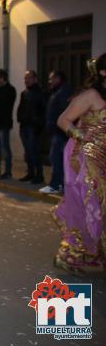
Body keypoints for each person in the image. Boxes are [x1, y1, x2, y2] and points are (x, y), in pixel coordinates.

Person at [52, 53, 106, 275]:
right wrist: (83, 136)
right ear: (103, 72)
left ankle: (98, 250)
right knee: (90, 203)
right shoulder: (91, 96)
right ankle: (84, 251)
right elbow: (63, 120)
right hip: (87, 158)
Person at [39, 71, 74, 194]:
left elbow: (66, 113)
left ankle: (57, 184)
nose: (49, 82)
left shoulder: (64, 92)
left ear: (58, 79)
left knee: (58, 159)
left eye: (51, 79)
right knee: (56, 159)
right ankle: (59, 184)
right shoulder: (57, 92)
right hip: (57, 132)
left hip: (61, 133)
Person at [16, 70, 45, 184]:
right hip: (24, 125)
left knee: (34, 151)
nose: (26, 80)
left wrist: (39, 124)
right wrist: (20, 119)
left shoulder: (40, 92)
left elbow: (43, 109)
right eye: (25, 78)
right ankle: (30, 172)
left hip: (34, 126)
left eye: (28, 78)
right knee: (28, 151)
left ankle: (39, 174)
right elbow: (21, 108)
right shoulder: (24, 93)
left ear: (35, 79)